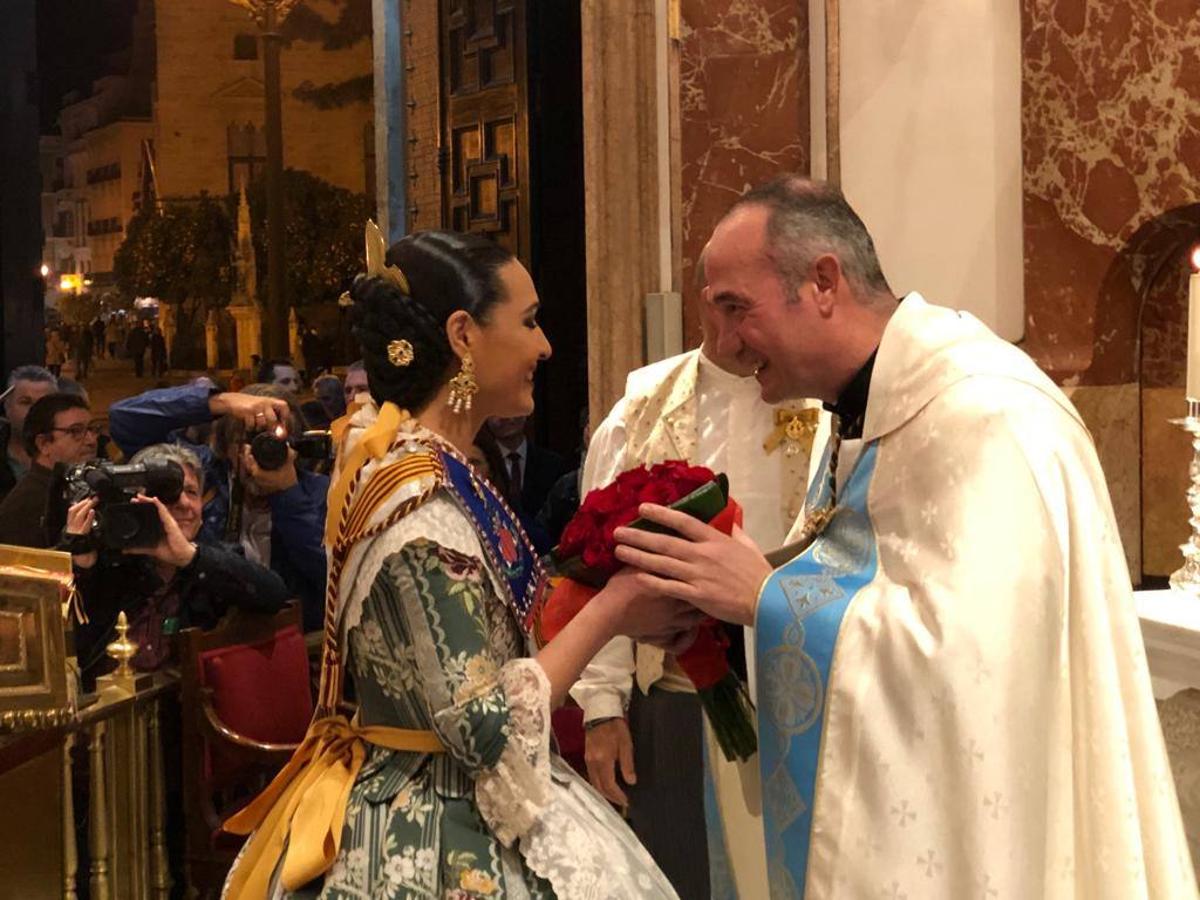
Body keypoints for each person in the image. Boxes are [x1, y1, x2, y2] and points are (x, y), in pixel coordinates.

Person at [613, 176, 1197, 897]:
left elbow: (975, 672)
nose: (726, 346)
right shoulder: (865, 411)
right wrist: (727, 628)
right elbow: (860, 594)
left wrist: (763, 598)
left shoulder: (985, 418)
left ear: (823, 282)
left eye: (737, 310)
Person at [223, 228, 691, 899]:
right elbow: (482, 725)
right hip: (439, 824)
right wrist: (614, 610)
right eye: (529, 323)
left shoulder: (427, 464)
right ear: (464, 335)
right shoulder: (419, 502)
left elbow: (498, 627)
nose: (544, 346)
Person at [573, 256, 825, 899]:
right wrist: (601, 708)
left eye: (753, 311)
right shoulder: (642, 407)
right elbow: (594, 569)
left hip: (798, 693)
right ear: (702, 300)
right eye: (726, 309)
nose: (739, 333)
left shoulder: (824, 405)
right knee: (681, 874)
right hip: (676, 693)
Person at [108, 382, 328, 631]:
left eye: (272, 440)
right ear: (226, 444)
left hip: (298, 640)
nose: (259, 452)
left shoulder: (319, 492)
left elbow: (329, 575)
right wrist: (220, 402)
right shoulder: (202, 475)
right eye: (249, 439)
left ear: (294, 448)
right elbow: (123, 420)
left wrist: (288, 494)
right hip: (209, 638)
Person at [65, 442, 289, 686]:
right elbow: (75, 651)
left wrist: (189, 558)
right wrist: (80, 568)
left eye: (192, 492)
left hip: (184, 709)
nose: (184, 503)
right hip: (111, 708)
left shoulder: (215, 560)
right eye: (169, 494)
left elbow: (274, 594)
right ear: (139, 500)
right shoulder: (111, 561)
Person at [0, 392, 97, 547]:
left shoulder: (84, 487)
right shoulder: (26, 505)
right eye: (75, 431)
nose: (91, 440)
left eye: (92, 429)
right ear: (44, 444)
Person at [0, 365, 58, 498]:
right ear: (7, 407)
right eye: (25, 402)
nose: (34, 411)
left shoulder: (73, 454)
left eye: (44, 403)